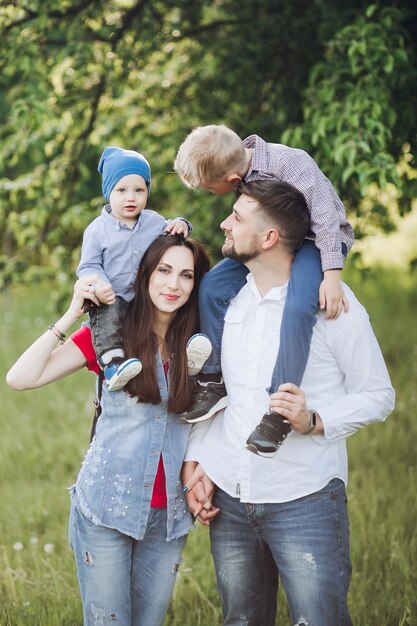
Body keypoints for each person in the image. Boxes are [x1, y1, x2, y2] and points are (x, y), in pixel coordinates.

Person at [181, 180, 395, 626]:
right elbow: (216, 390)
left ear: (269, 238)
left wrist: (314, 418)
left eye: (237, 218)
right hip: (231, 501)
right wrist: (199, 459)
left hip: (305, 499)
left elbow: (378, 395)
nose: (224, 223)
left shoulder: (332, 305)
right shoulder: (226, 301)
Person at [7, 234, 211, 626]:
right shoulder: (111, 337)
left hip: (167, 516)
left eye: (186, 275)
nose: (174, 284)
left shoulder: (199, 343)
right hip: (105, 508)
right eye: (164, 271)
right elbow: (20, 377)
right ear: (145, 274)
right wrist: (71, 314)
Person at [174, 124, 355, 457]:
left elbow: (327, 217)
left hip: (315, 242)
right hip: (268, 240)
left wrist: (331, 274)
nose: (204, 191)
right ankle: (214, 380)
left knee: (300, 306)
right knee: (213, 286)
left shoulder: (290, 163)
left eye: (205, 187)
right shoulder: (236, 166)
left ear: (229, 182)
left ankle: (280, 411)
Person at [77, 145, 210, 392]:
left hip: (144, 295)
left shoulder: (153, 221)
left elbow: (172, 230)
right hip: (112, 295)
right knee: (107, 322)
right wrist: (99, 284)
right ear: (109, 191)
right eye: (122, 190)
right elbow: (89, 266)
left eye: (139, 190)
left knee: (177, 311)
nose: (131, 197)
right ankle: (112, 365)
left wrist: (182, 224)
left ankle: (189, 354)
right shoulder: (97, 231)